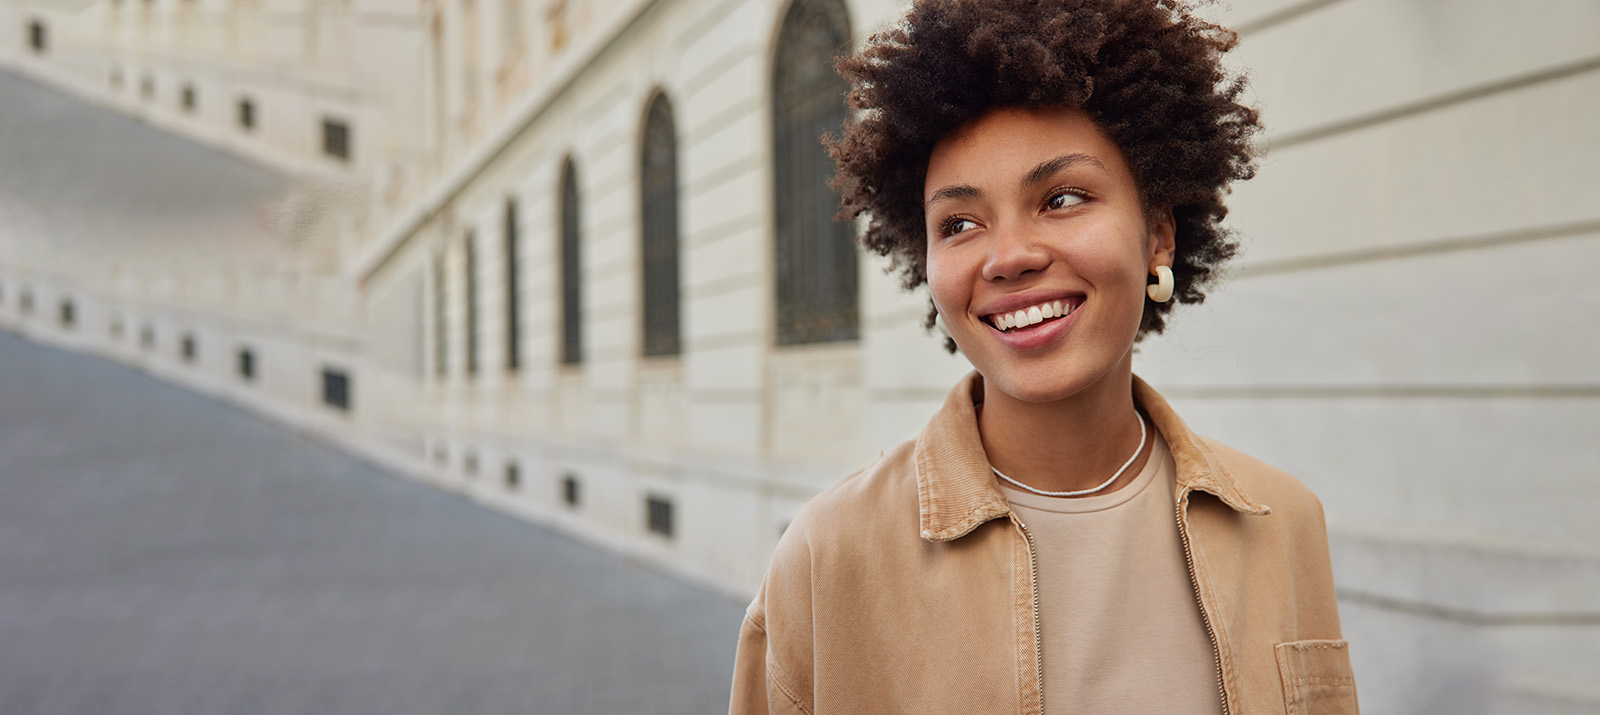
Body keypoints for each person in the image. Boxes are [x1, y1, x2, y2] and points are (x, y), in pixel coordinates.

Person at [730, 1, 1357, 713]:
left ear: (1158, 237)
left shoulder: (1285, 524)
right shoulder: (827, 558)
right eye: (960, 222)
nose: (1009, 258)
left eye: (1061, 197)